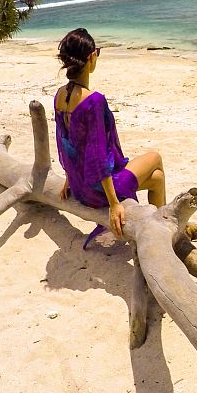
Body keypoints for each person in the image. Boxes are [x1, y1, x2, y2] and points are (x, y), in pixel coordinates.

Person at [54, 28, 165, 241]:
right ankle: (160, 232)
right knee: (155, 158)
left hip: (80, 185)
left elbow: (65, 141)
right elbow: (99, 157)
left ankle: (162, 226)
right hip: (99, 191)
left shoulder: (60, 95)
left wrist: (70, 177)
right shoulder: (92, 101)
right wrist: (114, 203)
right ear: (91, 57)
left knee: (157, 179)